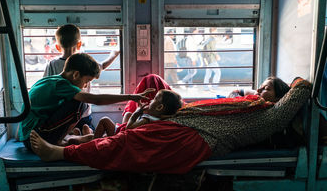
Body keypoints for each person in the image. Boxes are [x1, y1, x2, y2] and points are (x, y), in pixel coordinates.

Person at [29, 75, 311, 174]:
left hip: (203, 135)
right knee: (152, 81)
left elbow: (302, 90)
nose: (260, 92)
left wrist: (291, 88)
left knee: (130, 143)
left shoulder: (267, 117)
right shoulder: (247, 101)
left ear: (280, 98)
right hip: (187, 115)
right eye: (260, 87)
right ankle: (127, 126)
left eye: (268, 90)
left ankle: (63, 152)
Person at [19, 53, 152, 151]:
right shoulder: (62, 85)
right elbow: (96, 99)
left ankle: (65, 138)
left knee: (79, 100)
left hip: (30, 135)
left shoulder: (52, 80)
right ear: (76, 75)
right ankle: (58, 142)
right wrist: (131, 96)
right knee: (80, 103)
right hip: (35, 139)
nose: (84, 85)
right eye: (86, 81)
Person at [43, 24, 120, 132]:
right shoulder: (86, 62)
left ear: (57, 47)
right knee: (89, 133)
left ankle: (75, 136)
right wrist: (114, 54)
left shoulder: (52, 65)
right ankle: (84, 134)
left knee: (66, 135)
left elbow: (46, 85)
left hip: (62, 116)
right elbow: (102, 66)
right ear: (79, 44)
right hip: (83, 115)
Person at [93, 89, 183, 139]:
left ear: (159, 107)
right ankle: (94, 135)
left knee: (104, 120)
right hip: (124, 128)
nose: (151, 100)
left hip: (120, 133)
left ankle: (93, 142)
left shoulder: (146, 120)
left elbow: (129, 128)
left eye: (155, 99)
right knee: (128, 114)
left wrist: (136, 113)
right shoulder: (158, 117)